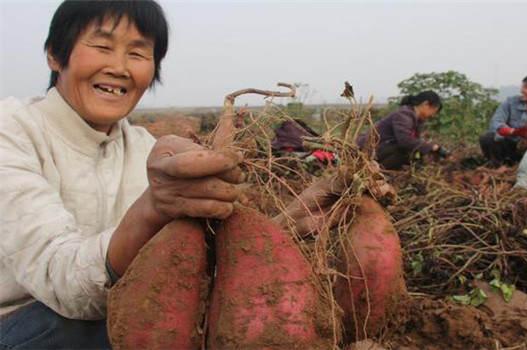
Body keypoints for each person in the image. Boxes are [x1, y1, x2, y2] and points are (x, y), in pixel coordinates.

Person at [0, 1, 334, 348]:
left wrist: (282, 227)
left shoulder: (145, 147)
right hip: (22, 326)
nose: (118, 67)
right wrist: (151, 210)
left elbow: (192, 266)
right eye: (102, 47)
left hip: (119, 313)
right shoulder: (10, 131)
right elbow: (62, 281)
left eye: (138, 53)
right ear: (56, 55)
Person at [358, 90, 448, 170]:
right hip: (367, 150)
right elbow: (405, 141)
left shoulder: (415, 118)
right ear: (426, 104)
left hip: (381, 148)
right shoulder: (404, 114)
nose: (433, 115)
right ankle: (375, 170)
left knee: (415, 151)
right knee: (406, 150)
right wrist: (432, 147)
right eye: (434, 111)